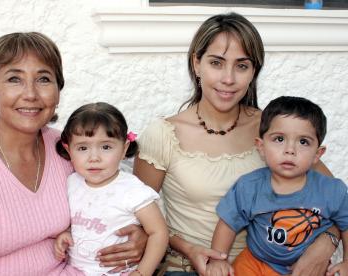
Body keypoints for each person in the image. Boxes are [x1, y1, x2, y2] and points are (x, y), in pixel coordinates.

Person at [133, 12, 337, 276]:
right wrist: (189, 249)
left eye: (241, 66)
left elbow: (335, 201)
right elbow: (138, 218)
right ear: (197, 63)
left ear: (254, 71)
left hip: (271, 267)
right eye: (216, 63)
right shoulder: (163, 134)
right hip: (189, 268)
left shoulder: (276, 131)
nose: (228, 79)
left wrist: (325, 243)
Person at [0, 32, 147, 275]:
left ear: (58, 91)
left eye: (43, 79)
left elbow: (115, 195)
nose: (30, 94)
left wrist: (139, 235)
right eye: (14, 79)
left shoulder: (67, 148)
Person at [207, 96, 348, 276]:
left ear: (317, 154)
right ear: (261, 146)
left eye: (303, 142)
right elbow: (227, 224)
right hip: (256, 261)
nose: (290, 150)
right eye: (279, 139)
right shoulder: (249, 187)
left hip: (307, 268)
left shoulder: (332, 190)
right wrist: (218, 259)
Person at [53, 102, 168, 275]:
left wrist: (142, 273)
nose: (94, 157)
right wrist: (66, 233)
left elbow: (159, 233)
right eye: (83, 148)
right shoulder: (72, 183)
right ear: (69, 150)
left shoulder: (132, 190)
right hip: (75, 270)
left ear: (124, 149)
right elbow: (80, 221)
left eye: (106, 147)